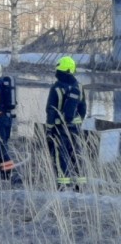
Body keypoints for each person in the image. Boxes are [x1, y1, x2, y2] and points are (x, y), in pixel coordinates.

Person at [45, 55, 87, 191]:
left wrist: (49, 129)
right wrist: (78, 122)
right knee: (76, 154)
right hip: (75, 128)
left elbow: (50, 110)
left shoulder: (56, 88)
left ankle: (63, 185)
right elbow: (83, 108)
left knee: (60, 155)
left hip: (59, 128)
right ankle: (80, 185)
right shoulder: (79, 87)